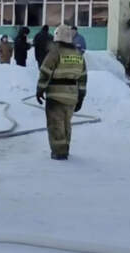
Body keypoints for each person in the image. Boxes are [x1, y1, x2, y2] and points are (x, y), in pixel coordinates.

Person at [36, 24, 87, 160]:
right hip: (72, 95)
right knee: (66, 123)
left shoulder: (55, 52)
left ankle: (59, 152)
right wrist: (81, 97)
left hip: (55, 95)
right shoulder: (78, 54)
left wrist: (40, 89)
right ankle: (66, 149)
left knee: (55, 124)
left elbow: (45, 72)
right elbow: (83, 77)